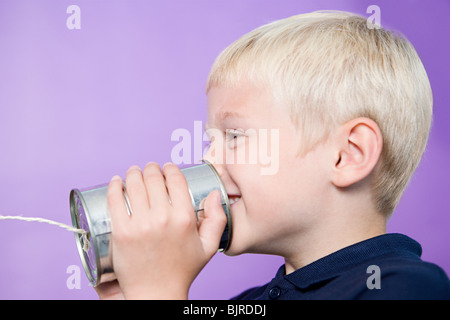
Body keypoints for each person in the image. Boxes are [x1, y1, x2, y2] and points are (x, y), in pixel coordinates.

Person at [95, 11, 450, 300]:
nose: (208, 161)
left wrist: (157, 294)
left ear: (347, 155)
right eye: (209, 141)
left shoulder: (406, 287)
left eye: (234, 136)